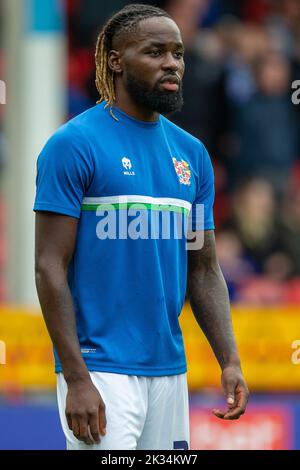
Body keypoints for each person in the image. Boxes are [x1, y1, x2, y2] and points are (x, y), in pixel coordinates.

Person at [34, 3, 248, 451]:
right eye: (155, 52)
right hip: (101, 371)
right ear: (115, 60)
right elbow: (49, 267)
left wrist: (229, 359)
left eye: (178, 53)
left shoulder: (191, 155)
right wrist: (76, 377)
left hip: (169, 370)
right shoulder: (74, 145)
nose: (172, 63)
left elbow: (203, 268)